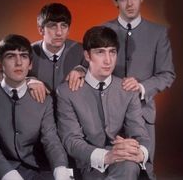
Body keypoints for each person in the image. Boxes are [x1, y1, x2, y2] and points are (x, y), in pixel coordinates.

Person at [0, 34, 73, 180]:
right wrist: (9, 175)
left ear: (30, 64)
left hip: (36, 168)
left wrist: (61, 168)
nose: (19, 62)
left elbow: (51, 139)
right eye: (11, 56)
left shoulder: (44, 99)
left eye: (24, 56)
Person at [103, 0, 175, 177]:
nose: (130, 3)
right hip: (107, 117)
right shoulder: (102, 30)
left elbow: (167, 74)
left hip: (143, 115)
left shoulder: (158, 33)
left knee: (144, 170)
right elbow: (88, 64)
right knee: (112, 168)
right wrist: (79, 70)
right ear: (115, 1)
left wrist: (141, 87)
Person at [56, 26, 151, 180]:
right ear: (87, 55)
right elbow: (71, 140)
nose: (108, 60)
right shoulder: (66, 92)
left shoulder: (128, 89)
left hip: (123, 159)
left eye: (112, 52)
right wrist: (106, 156)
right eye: (100, 52)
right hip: (87, 163)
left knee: (128, 165)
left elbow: (140, 135)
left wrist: (138, 152)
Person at [28, 2, 87, 103]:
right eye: (53, 26)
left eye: (63, 26)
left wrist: (83, 70)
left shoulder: (82, 50)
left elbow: (98, 75)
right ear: (41, 30)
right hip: (38, 114)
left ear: (68, 30)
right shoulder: (27, 53)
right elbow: (9, 78)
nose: (59, 32)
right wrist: (27, 80)